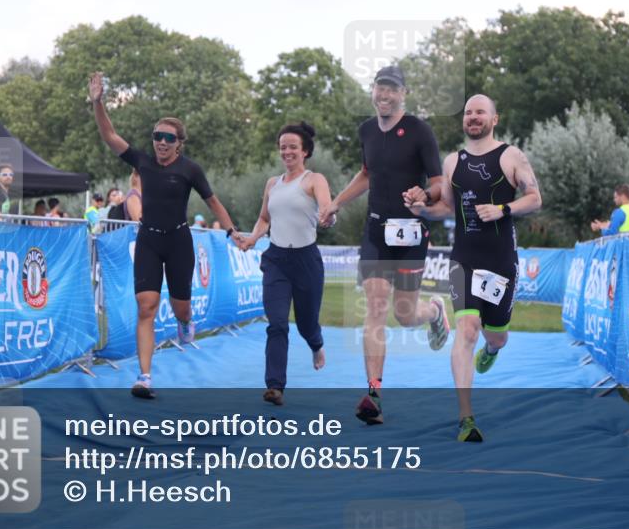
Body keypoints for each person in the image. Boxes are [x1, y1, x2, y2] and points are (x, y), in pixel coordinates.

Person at [89, 71, 237, 399]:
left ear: (179, 143)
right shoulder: (142, 161)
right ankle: (144, 376)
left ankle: (186, 323)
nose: (162, 142)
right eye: (158, 136)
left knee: (180, 308)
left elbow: (213, 202)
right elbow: (110, 135)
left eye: (169, 138)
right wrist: (98, 102)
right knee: (146, 306)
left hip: (179, 241)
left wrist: (230, 231)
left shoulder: (190, 169)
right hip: (149, 241)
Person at [318, 65, 449, 426]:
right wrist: (336, 203)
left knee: (405, 315)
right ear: (373, 90)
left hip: (410, 235)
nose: (385, 95)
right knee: (375, 307)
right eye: (380, 88)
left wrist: (425, 193)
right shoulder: (366, 131)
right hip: (376, 232)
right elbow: (366, 173)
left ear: (403, 94)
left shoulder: (420, 131)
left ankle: (435, 311)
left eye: (393, 89)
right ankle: (373, 393)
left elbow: (439, 183)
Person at [406, 94, 542, 442]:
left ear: (494, 119)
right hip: (464, 258)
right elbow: (446, 208)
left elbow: (534, 197)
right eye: (468, 112)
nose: (473, 117)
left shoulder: (511, 155)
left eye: (480, 112)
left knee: (495, 334)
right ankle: (466, 418)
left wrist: (503, 209)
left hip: (500, 261)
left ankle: (493, 349)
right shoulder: (454, 161)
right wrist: (422, 209)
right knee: (467, 329)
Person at [238, 122, 333, 406]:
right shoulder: (272, 184)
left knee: (305, 324)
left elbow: (326, 206)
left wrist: (328, 215)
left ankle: (316, 345)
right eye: (283, 147)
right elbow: (265, 218)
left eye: (293, 146)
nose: (287, 151)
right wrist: (254, 237)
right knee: (277, 323)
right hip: (277, 260)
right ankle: (275, 385)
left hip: (306, 261)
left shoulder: (314, 179)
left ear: (304, 151)